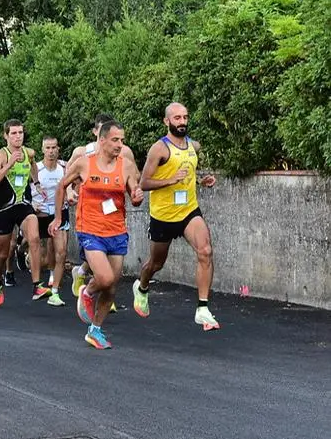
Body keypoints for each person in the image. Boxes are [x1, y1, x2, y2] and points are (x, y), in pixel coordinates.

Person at [49, 121, 144, 350]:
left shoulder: (127, 166)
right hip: (90, 229)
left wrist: (138, 196)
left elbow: (135, 194)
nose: (120, 144)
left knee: (112, 287)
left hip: (117, 231)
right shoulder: (84, 163)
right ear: (102, 141)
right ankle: (88, 291)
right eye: (115, 140)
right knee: (105, 278)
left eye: (122, 140)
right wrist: (58, 218)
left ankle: (95, 330)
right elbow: (62, 186)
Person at [133, 103, 220, 330]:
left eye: (185, 117)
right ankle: (142, 287)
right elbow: (144, 183)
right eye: (177, 118)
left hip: (188, 211)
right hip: (163, 216)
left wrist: (202, 181)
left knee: (205, 251)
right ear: (167, 121)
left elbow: (189, 173)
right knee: (156, 264)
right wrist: (170, 180)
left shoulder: (194, 146)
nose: (182, 122)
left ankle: (202, 308)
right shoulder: (159, 149)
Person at [66, 114, 138, 310]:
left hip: (114, 219)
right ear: (96, 133)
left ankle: (87, 278)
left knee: (109, 273)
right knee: (102, 267)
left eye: (120, 139)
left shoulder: (125, 153)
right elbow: (67, 177)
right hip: (90, 218)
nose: (118, 143)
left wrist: (136, 192)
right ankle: (90, 283)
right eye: (99, 130)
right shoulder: (83, 153)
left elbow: (135, 180)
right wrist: (69, 191)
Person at [0, 119, 48, 307]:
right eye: (13, 133)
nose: (17, 136)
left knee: (35, 238)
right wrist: (9, 164)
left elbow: (33, 165)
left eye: (20, 132)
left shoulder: (29, 152)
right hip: (4, 208)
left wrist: (36, 183)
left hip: (23, 204)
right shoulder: (0, 155)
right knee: (4, 253)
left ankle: (37, 285)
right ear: (6, 135)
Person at [30, 137, 69, 307]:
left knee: (61, 251)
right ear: (42, 149)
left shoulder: (64, 168)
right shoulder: (36, 169)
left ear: (58, 149)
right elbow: (24, 190)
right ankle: (25, 253)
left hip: (59, 213)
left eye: (54, 147)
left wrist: (71, 195)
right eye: (48, 147)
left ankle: (55, 292)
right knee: (42, 252)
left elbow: (71, 186)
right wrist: (32, 204)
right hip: (40, 213)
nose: (51, 151)